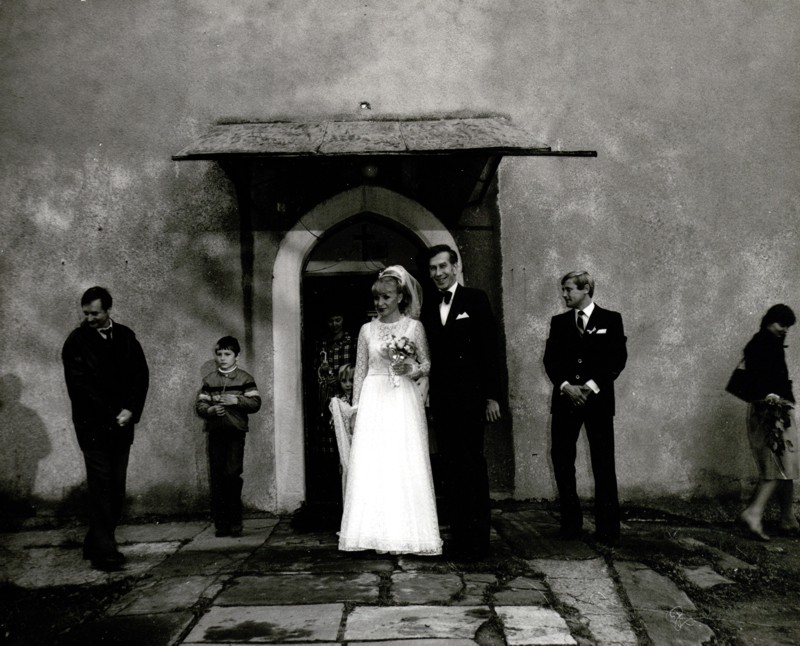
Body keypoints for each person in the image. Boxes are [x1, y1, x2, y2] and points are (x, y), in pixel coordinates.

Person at [338, 266, 442, 555]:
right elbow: (360, 371)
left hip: (401, 399)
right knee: (374, 462)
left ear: (400, 297)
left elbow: (427, 363)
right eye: (376, 298)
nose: (380, 303)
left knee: (402, 460)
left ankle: (405, 534)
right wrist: (356, 409)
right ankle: (372, 533)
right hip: (373, 397)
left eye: (386, 297)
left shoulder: (413, 327)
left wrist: (408, 369)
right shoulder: (366, 330)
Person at [420, 245, 502, 561]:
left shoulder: (475, 299)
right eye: (433, 268)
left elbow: (490, 350)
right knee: (451, 470)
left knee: (472, 467)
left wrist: (492, 396)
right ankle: (459, 539)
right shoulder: (428, 307)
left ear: (456, 267)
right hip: (443, 403)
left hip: (472, 400)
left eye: (443, 266)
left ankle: (479, 542)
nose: (438, 273)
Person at [62, 286, 149, 570]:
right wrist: (114, 413)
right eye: (86, 313)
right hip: (93, 428)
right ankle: (105, 552)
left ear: (108, 310)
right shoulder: (76, 342)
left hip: (122, 426)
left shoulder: (126, 337)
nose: (89, 318)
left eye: (95, 313)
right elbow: (80, 387)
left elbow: (140, 376)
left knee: (116, 489)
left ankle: (95, 542)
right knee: (101, 487)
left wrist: (131, 410)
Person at [543, 271, 627, 546]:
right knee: (562, 460)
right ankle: (571, 524)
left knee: (603, 463)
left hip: (597, 403)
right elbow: (550, 361)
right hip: (565, 401)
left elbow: (617, 359)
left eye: (569, 289)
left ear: (586, 289)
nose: (564, 294)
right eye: (563, 289)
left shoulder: (610, 319)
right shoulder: (559, 323)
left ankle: (608, 530)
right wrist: (566, 386)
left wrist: (589, 387)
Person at [739, 304, 799, 541]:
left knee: (787, 466)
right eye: (781, 324)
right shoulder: (760, 344)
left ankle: (788, 518)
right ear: (769, 321)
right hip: (769, 412)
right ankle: (753, 514)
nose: (784, 329)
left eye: (787, 326)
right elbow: (756, 380)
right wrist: (769, 396)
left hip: (779, 410)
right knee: (776, 466)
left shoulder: (771, 343)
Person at [196, 336, 261, 537]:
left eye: (227, 354)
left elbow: (255, 403)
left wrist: (236, 400)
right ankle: (221, 524)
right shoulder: (210, 380)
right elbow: (200, 405)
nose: (223, 358)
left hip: (235, 434)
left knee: (232, 475)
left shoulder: (245, 379)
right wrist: (210, 410)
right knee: (217, 477)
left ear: (236, 356)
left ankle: (235, 522)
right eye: (219, 354)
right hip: (216, 433)